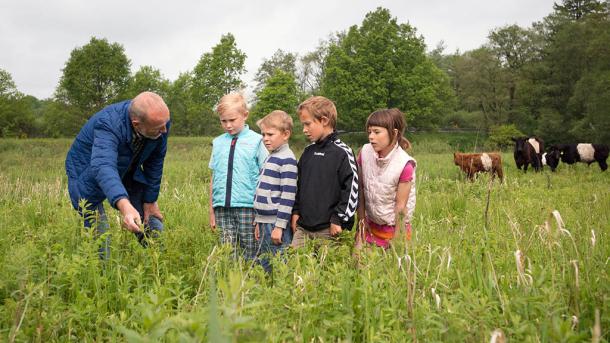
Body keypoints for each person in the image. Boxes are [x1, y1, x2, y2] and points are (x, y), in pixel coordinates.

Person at [65, 91, 171, 258]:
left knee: (150, 220)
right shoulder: (108, 124)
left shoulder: (160, 122)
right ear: (136, 124)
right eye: (159, 128)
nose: (165, 130)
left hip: (127, 166)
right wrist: (125, 206)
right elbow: (103, 167)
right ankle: (101, 276)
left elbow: (155, 162)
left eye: (166, 123)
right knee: (100, 232)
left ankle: (159, 264)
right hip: (87, 170)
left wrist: (150, 201)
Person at [290, 96, 358, 248]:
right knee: (295, 267)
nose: (304, 130)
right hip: (303, 228)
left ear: (324, 120)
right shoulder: (307, 152)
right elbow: (299, 186)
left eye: (308, 124)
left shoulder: (342, 152)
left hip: (329, 229)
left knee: (327, 270)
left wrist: (338, 219)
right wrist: (295, 211)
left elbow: (352, 189)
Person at [208, 93, 268, 260]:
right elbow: (214, 177)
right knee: (227, 252)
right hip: (222, 208)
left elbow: (265, 177)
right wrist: (211, 209)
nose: (228, 125)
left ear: (245, 115)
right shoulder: (218, 142)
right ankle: (231, 283)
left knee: (252, 251)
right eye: (223, 121)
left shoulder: (257, 141)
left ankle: (253, 284)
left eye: (232, 120)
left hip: (248, 207)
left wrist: (262, 211)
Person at [355, 108, 416, 249]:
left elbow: (401, 207)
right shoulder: (365, 152)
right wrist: (361, 224)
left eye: (376, 132)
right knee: (358, 264)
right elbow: (361, 190)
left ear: (394, 133)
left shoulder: (404, 164)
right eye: (369, 132)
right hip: (370, 226)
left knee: (390, 268)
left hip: (393, 229)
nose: (371, 136)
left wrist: (398, 240)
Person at [253, 110, 298, 272]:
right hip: (264, 221)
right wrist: (258, 220)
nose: (265, 138)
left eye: (270, 134)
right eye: (263, 134)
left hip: (276, 223)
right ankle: (267, 294)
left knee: (280, 263)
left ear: (285, 134)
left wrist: (279, 226)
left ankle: (282, 294)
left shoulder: (287, 159)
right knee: (265, 262)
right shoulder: (271, 156)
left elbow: (288, 195)